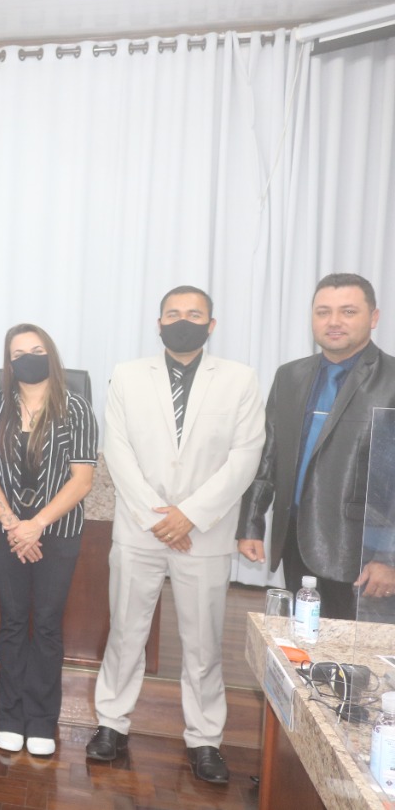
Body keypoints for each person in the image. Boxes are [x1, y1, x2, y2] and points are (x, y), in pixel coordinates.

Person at [88, 286, 264, 785]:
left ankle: (205, 739)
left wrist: (189, 515)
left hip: (204, 533)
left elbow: (245, 457)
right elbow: (118, 451)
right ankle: (111, 723)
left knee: (203, 642)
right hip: (140, 529)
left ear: (211, 325)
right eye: (173, 313)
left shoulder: (240, 379)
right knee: (126, 631)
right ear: (159, 323)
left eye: (194, 314)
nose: (182, 321)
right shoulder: (127, 375)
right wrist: (158, 518)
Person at [239, 273, 395, 620]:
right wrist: (251, 524)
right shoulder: (290, 376)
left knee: (356, 653)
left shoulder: (391, 380)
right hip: (295, 540)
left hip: (362, 554)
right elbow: (269, 456)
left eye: (348, 311)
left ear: (373, 317)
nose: (334, 321)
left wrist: (389, 558)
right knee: (302, 643)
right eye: (323, 312)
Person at [0, 324, 97, 756]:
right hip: (5, 533)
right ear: (9, 363)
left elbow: (82, 479)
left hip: (57, 534)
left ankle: (42, 720)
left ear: (51, 354)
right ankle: (10, 716)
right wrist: (14, 524)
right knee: (11, 623)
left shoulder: (75, 407)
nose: (28, 357)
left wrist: (37, 524)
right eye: (18, 353)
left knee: (46, 624)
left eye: (37, 349)